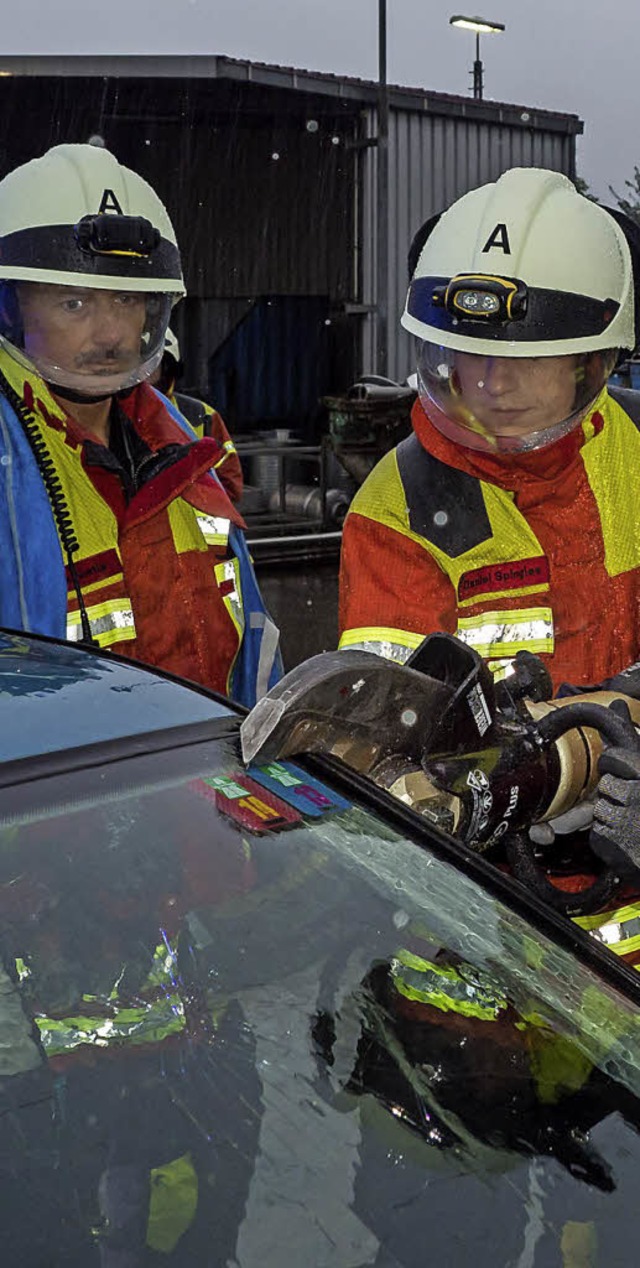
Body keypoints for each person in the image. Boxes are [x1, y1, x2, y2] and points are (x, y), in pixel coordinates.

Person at [339, 167, 640, 694]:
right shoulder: (397, 507)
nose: (495, 384)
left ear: (590, 360)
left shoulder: (633, 445)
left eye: (526, 359)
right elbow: (396, 725)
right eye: (473, 355)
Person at [0, 142, 280, 706]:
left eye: (127, 302)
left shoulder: (181, 441)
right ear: (11, 306)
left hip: (203, 777)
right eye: (74, 304)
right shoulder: (12, 463)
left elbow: (253, 645)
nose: (110, 335)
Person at [151, 327, 244, 503]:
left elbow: (229, 485)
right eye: (136, 364)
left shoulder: (201, 415)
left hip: (190, 522)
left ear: (167, 366)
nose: (143, 373)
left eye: (151, 364)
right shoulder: (105, 416)